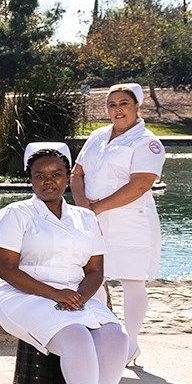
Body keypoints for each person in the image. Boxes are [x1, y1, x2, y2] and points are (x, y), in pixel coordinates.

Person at [0, 143, 129, 384]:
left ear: (68, 177)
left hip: (76, 297)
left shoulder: (85, 218)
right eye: (39, 175)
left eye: (56, 174)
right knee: (76, 336)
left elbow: (95, 269)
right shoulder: (16, 214)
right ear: (30, 179)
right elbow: (7, 269)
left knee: (117, 337)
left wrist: (79, 296)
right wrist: (57, 294)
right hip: (23, 296)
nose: (48, 181)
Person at [72, 83, 164, 368]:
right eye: (112, 104)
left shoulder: (148, 142)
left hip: (131, 222)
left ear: (137, 107)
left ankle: (131, 343)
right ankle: (107, 337)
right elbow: (78, 172)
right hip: (94, 221)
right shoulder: (98, 136)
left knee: (132, 281)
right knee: (95, 277)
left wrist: (97, 207)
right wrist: (83, 206)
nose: (117, 110)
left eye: (124, 103)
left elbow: (139, 185)